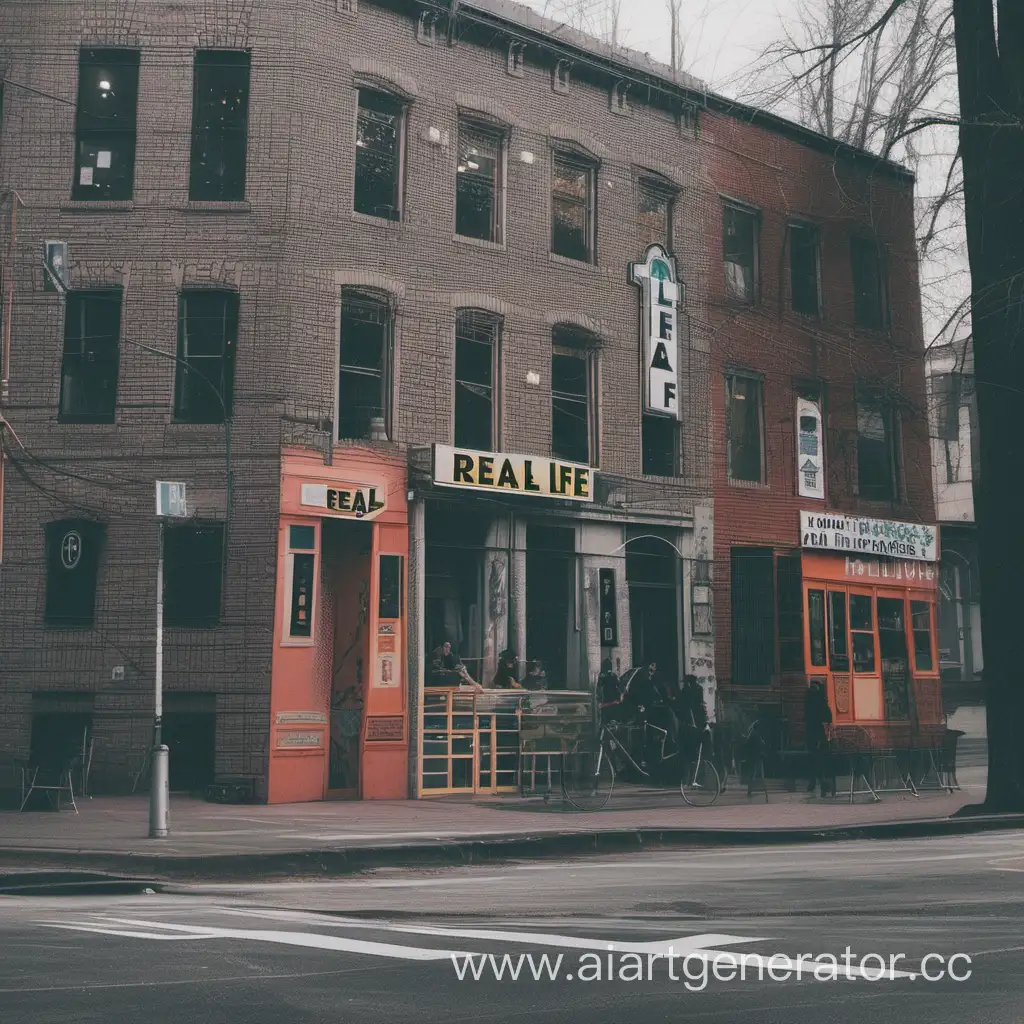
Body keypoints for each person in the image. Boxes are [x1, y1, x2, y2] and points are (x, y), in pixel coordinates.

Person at [804, 680, 834, 796]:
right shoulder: (820, 700)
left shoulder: (808, 700)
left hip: (810, 732)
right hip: (818, 732)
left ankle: (813, 783)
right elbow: (828, 716)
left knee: (813, 758)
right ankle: (822, 784)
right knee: (820, 759)